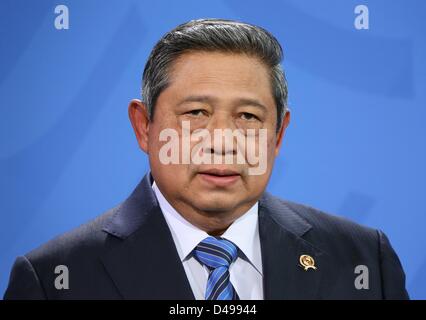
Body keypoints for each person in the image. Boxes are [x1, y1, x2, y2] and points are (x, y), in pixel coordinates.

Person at [4, 18, 409, 300]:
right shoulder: (53, 279)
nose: (221, 141)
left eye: (248, 117)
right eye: (195, 113)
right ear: (143, 127)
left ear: (278, 135)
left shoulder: (363, 259)